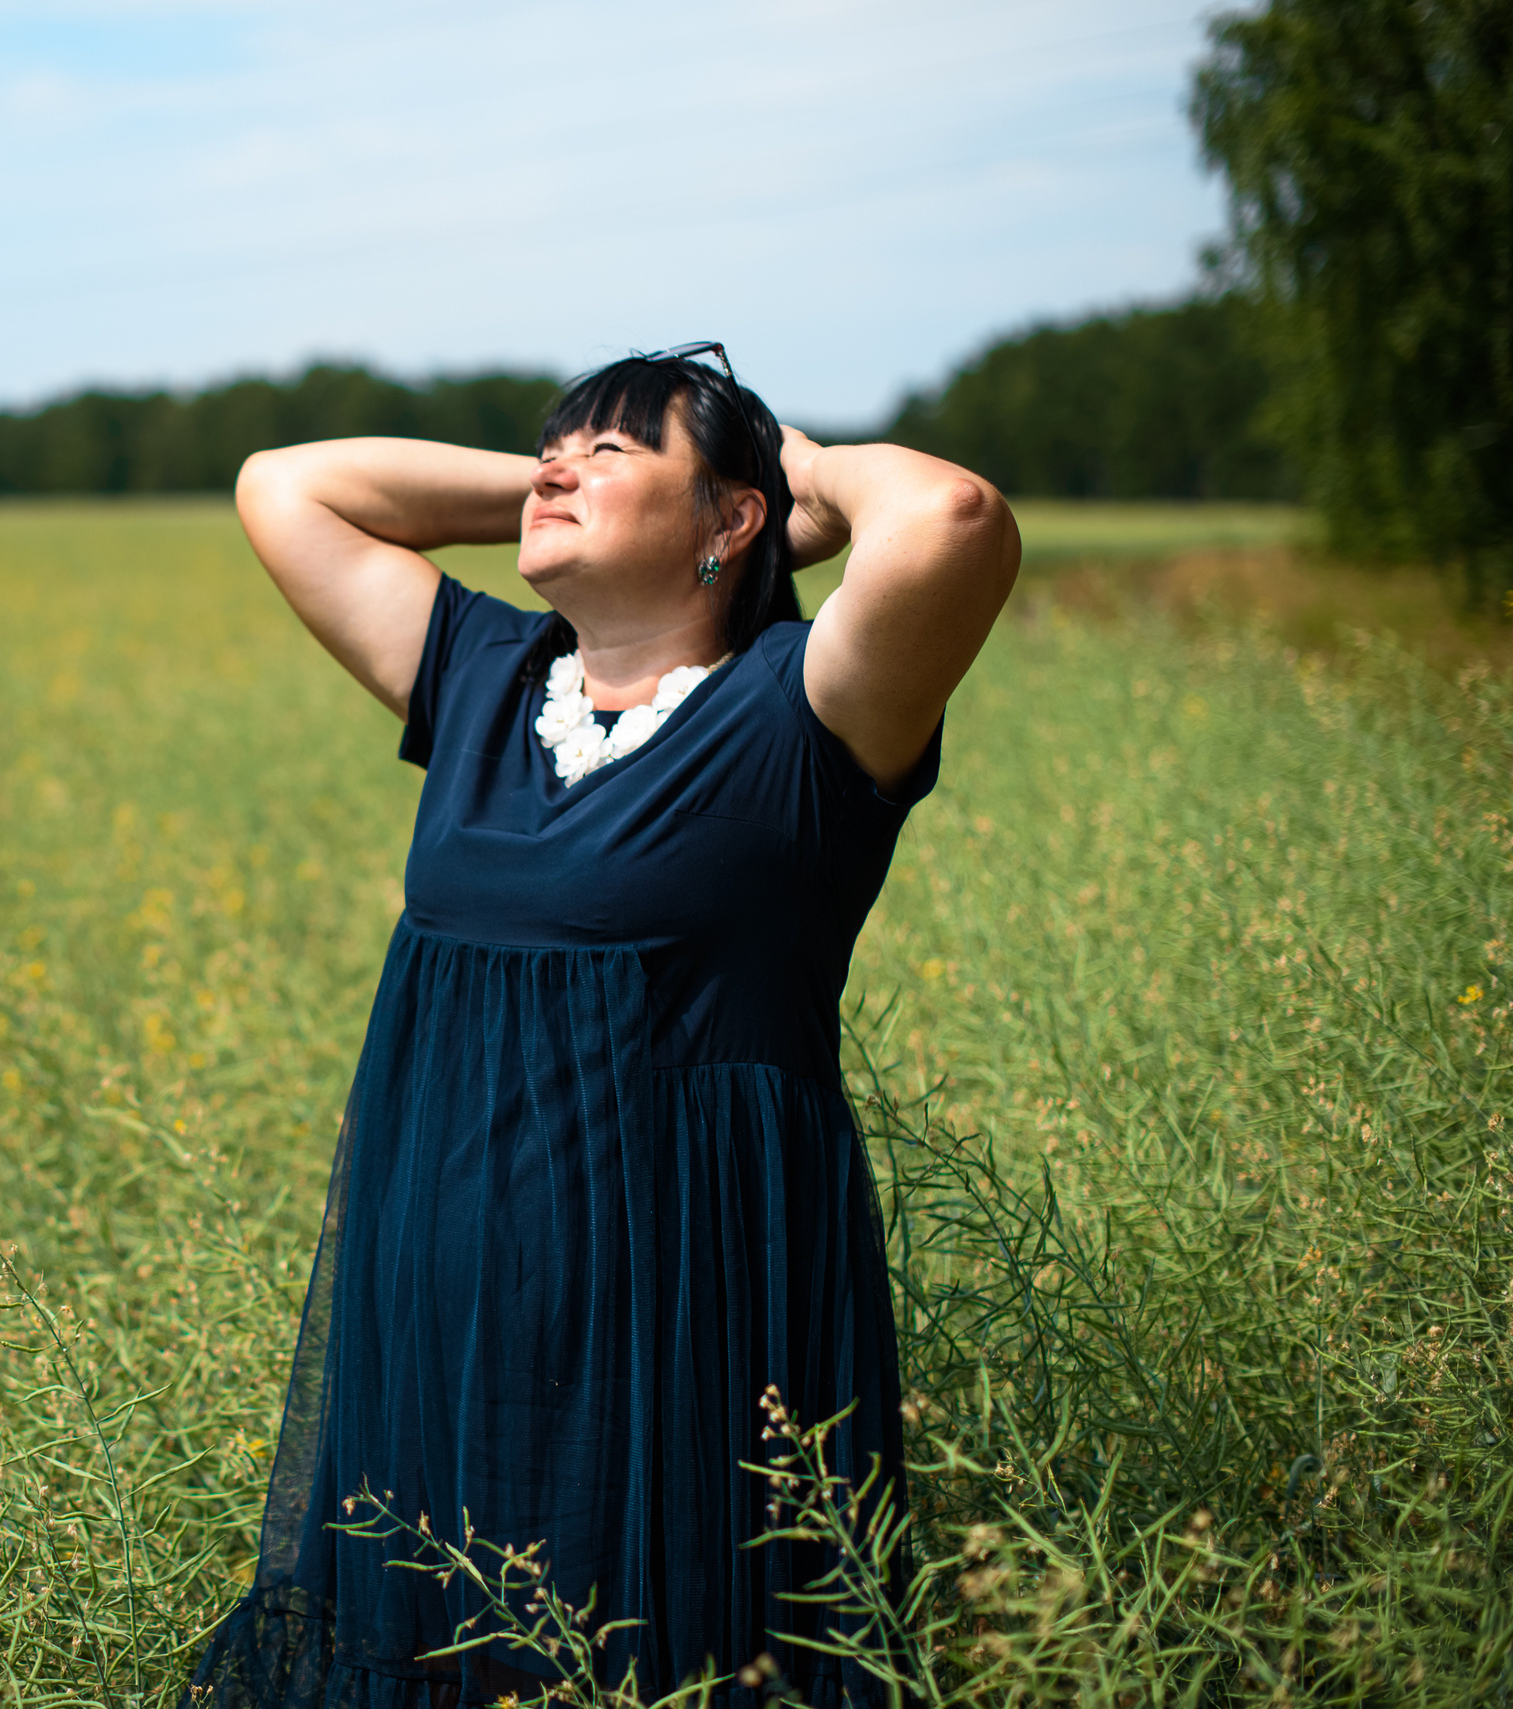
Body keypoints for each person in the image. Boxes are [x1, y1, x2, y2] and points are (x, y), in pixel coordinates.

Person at [179, 346, 1020, 1709]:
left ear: (732, 516)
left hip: (683, 1308)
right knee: (438, 1635)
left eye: (611, 451)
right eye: (549, 450)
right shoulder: (486, 675)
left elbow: (954, 516)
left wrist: (796, 475)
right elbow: (286, 487)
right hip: (437, 1302)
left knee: (662, 1646)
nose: (557, 470)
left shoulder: (807, 705)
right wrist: (577, 486)